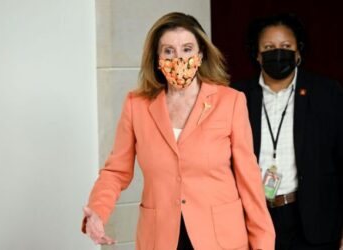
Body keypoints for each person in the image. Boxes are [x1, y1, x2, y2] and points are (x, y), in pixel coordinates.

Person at [82, 12, 275, 250]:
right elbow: (116, 171)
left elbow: (249, 181)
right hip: (160, 238)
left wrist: (263, 244)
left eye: (187, 49)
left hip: (221, 239)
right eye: (169, 51)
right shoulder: (136, 105)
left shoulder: (230, 102)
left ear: (200, 54)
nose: (179, 58)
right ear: (157, 57)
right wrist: (98, 211)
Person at [231, 13, 343, 250]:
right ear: (258, 55)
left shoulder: (327, 92)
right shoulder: (237, 96)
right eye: (269, 47)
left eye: (285, 46)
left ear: (298, 52)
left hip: (314, 220)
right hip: (252, 217)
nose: (278, 52)